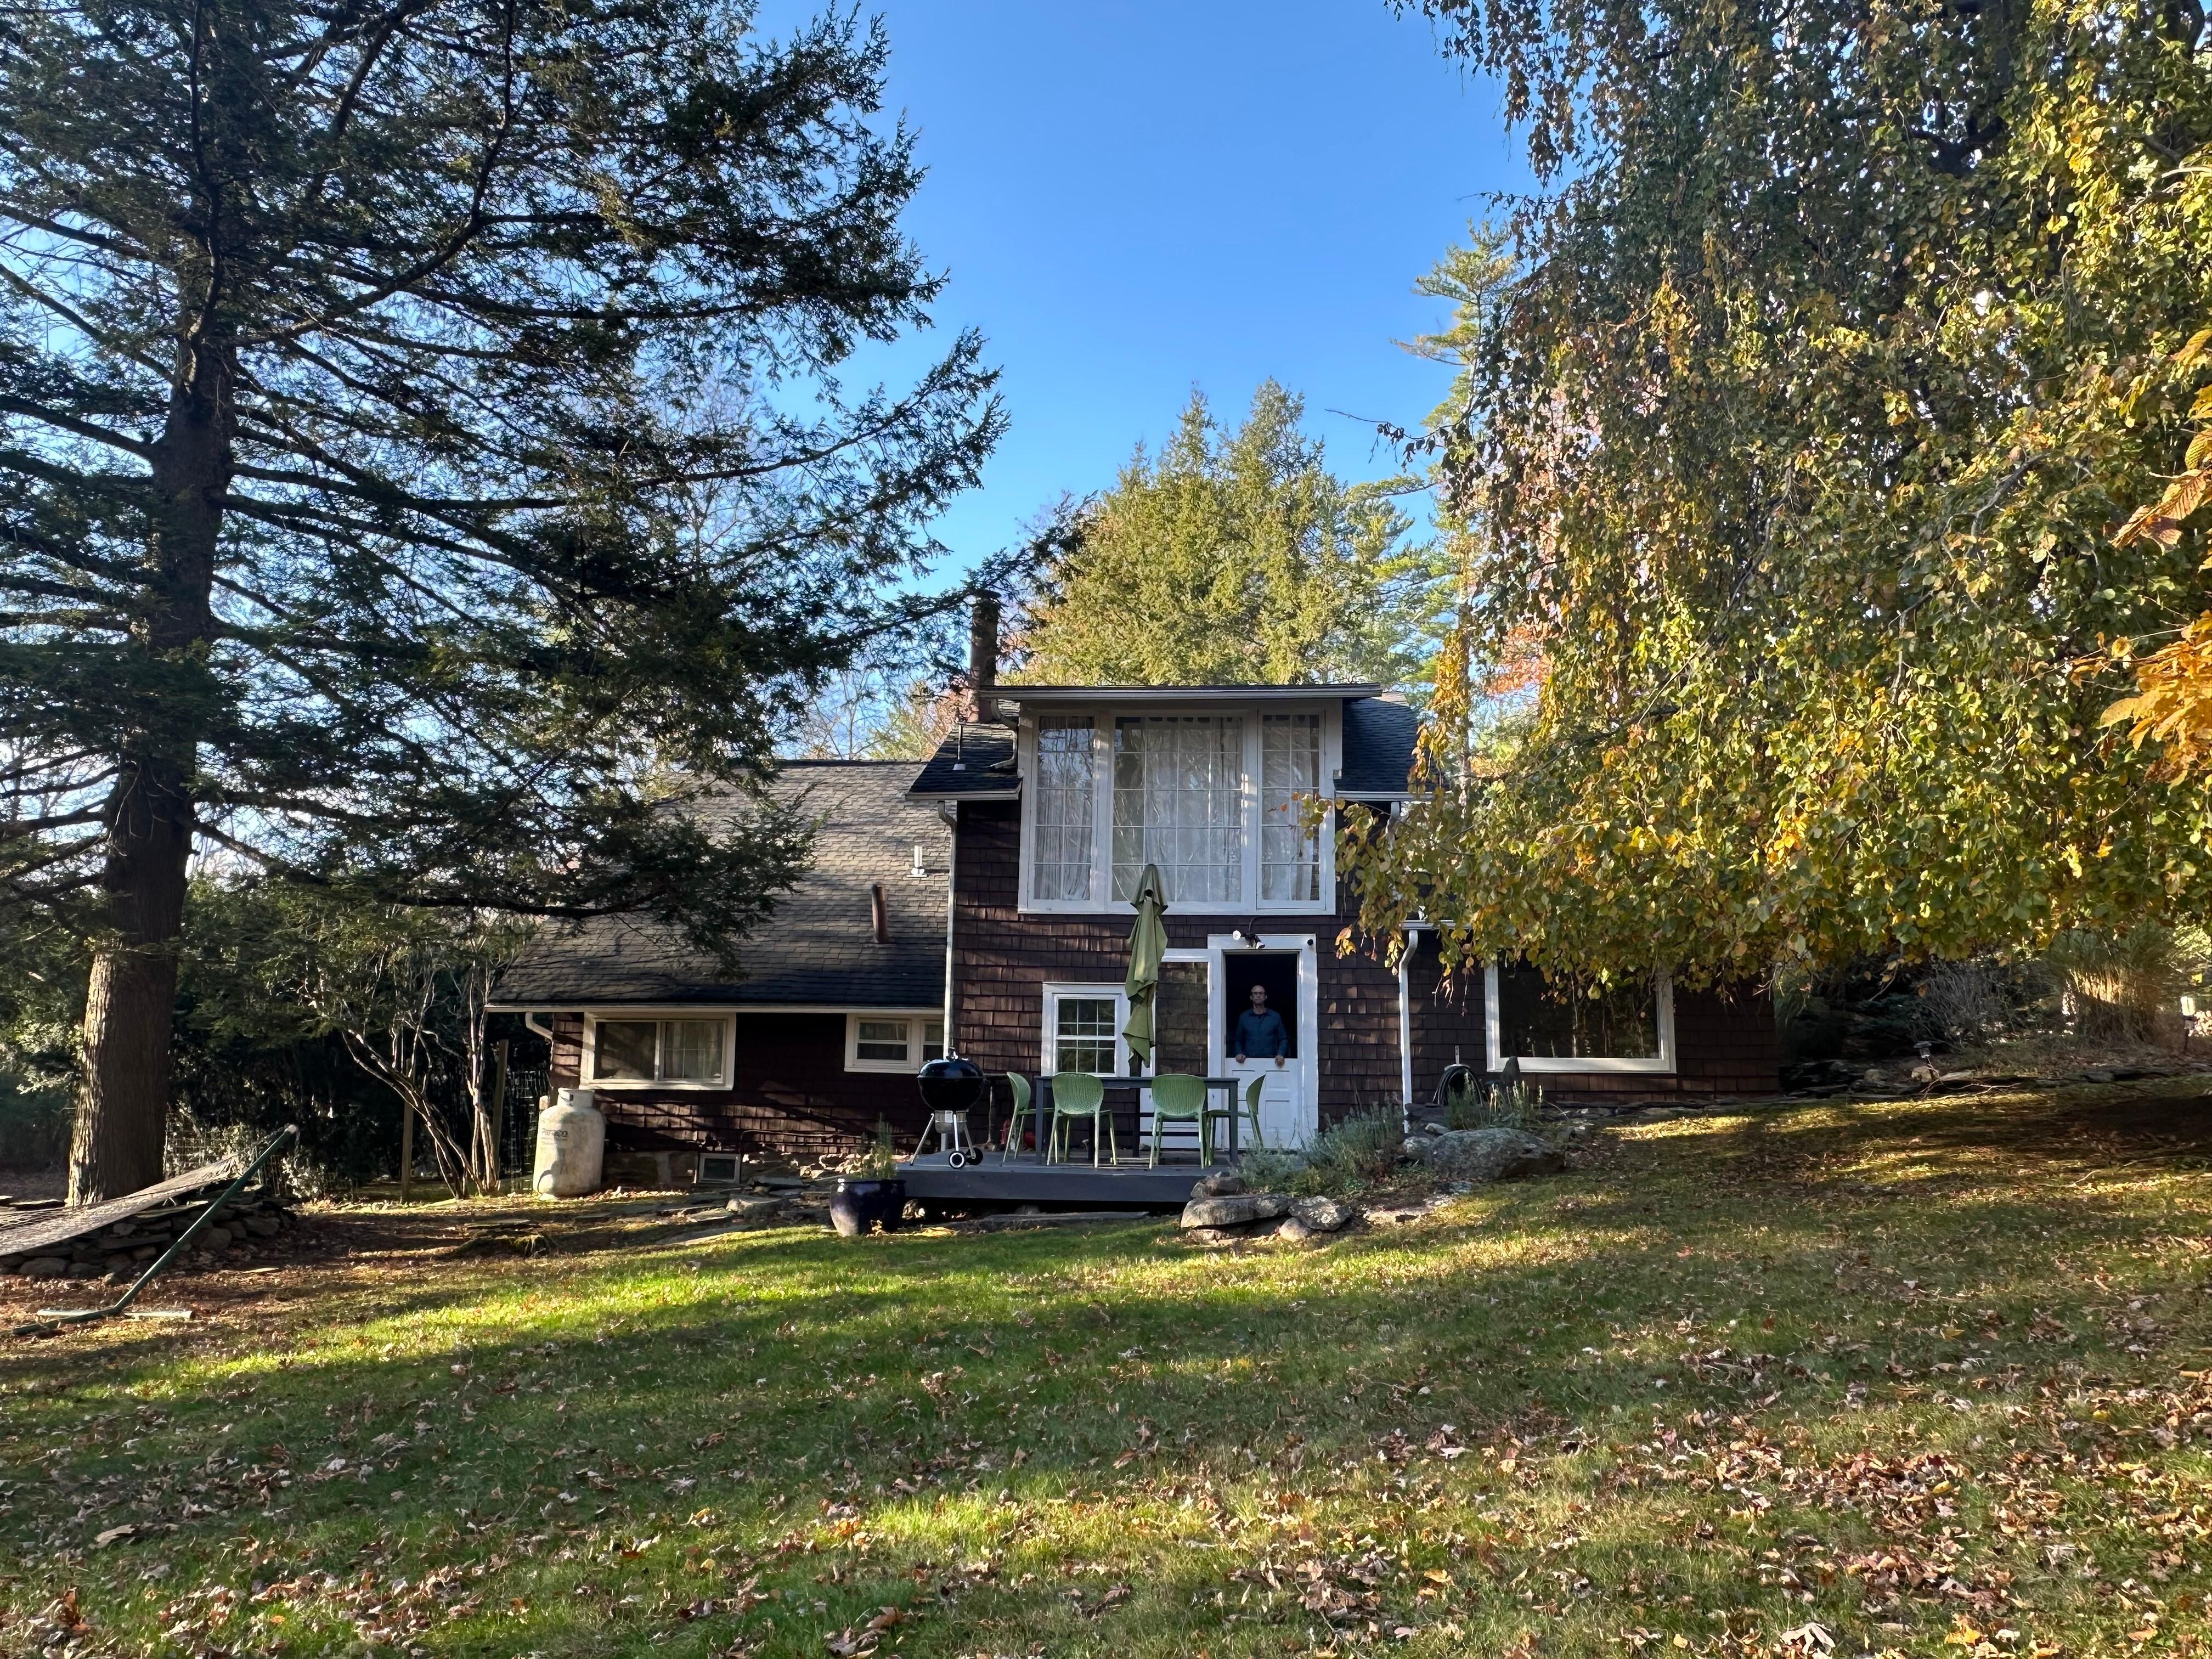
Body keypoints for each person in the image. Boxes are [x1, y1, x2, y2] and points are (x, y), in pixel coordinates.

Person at [1232, 983, 1288, 1067]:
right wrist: (1239, 1053)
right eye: (1255, 993)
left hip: (1272, 1063)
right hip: (1248, 1063)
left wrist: (1281, 1054)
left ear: (1265, 997)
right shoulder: (1244, 1018)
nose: (1258, 996)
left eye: (1261, 993)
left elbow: (1283, 1039)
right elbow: (1238, 1040)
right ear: (1251, 997)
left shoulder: (1275, 1017)